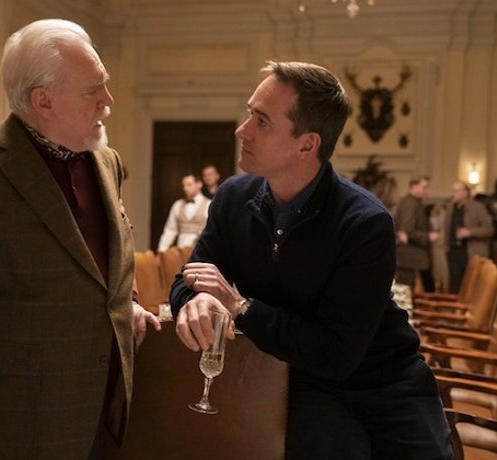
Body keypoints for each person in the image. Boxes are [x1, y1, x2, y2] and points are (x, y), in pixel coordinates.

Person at [0, 19, 160, 459]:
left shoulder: (107, 162)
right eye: (93, 89)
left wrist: (128, 301)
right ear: (43, 100)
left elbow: (103, 259)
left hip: (104, 414)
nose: (108, 100)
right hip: (12, 423)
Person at [169, 60, 453, 459]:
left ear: (307, 144)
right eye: (250, 114)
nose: (242, 130)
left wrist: (240, 307)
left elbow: (336, 353)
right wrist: (196, 299)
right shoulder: (233, 198)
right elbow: (187, 280)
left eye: (262, 121)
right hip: (290, 377)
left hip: (381, 383)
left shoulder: (365, 222)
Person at [442, 180, 494, 293]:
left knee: (471, 287)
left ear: (465, 193)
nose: (452, 194)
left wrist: (470, 232)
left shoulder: (478, 208)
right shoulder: (450, 208)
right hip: (453, 252)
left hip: (470, 253)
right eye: (452, 191)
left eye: (456, 191)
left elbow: (489, 230)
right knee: (454, 286)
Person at [393, 175, 440, 292]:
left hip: (411, 256)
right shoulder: (410, 203)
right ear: (414, 187)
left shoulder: (414, 202)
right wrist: (428, 236)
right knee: (405, 292)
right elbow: (406, 230)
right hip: (409, 256)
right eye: (424, 187)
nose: (427, 191)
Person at [156, 173, 211, 252]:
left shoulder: (209, 204)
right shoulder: (177, 205)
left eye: (189, 185)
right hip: (180, 251)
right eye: (183, 185)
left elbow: (212, 231)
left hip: (201, 251)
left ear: (199, 185)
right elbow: (170, 230)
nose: (185, 188)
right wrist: (162, 249)